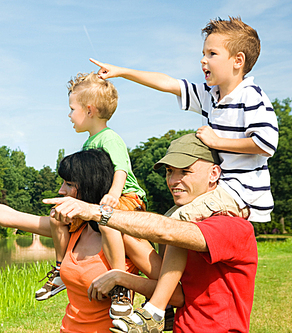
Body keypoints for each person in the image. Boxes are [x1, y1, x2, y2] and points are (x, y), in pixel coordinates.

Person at [89, 16, 277, 329]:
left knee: (174, 224)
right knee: (168, 220)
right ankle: (168, 296)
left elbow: (267, 142)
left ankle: (156, 308)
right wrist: (122, 72)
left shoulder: (251, 96)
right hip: (222, 186)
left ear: (237, 61)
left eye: (212, 54)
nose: (203, 60)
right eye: (203, 53)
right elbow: (168, 83)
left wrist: (218, 141)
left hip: (240, 191)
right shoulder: (212, 95)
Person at [0, 149, 169, 333]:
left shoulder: (124, 235)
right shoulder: (73, 230)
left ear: (89, 187)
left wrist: (121, 278)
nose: (60, 190)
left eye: (68, 184)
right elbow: (10, 217)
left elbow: (173, 293)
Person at [44, 134, 258, 333]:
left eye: (185, 172)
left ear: (214, 174)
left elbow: (166, 231)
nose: (173, 181)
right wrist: (122, 277)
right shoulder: (181, 220)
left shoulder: (231, 226)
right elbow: (178, 290)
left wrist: (95, 211)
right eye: (169, 172)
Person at [37, 72, 147, 321]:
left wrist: (111, 197)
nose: (68, 115)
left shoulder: (110, 138)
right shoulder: (89, 143)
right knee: (56, 217)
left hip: (125, 196)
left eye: (71, 108)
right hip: (98, 199)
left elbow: (120, 170)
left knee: (106, 223)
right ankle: (59, 269)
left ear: (89, 110)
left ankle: (120, 286)